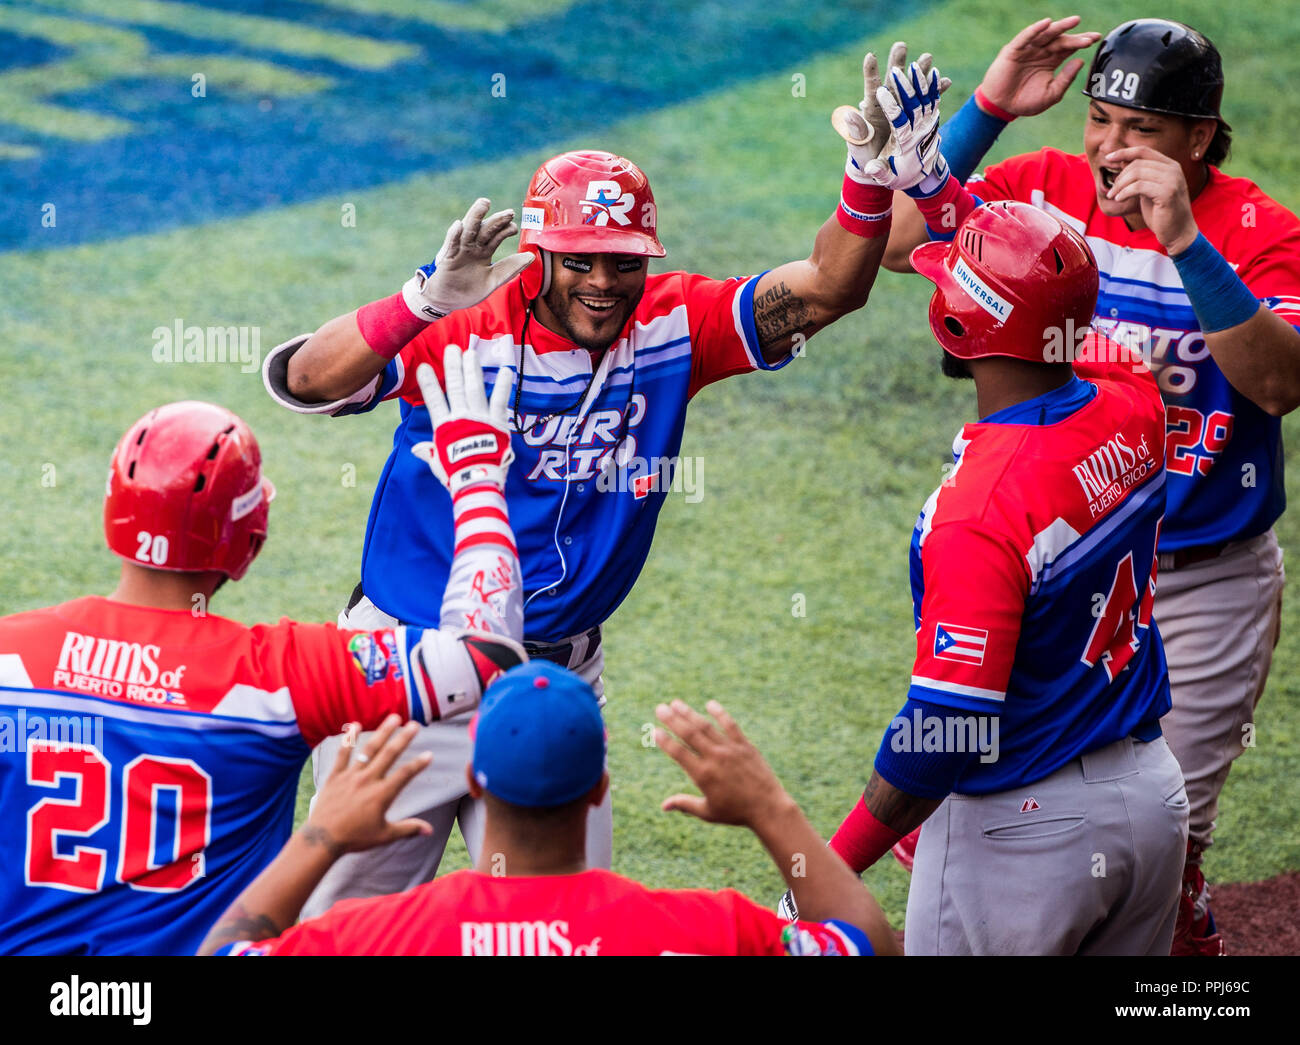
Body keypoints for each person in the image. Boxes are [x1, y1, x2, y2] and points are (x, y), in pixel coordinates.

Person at [262, 47, 937, 915]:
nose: (605, 282)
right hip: (411, 671)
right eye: (580, 260)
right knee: (346, 929)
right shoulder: (462, 324)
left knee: (572, 925)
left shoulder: (672, 324)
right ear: (539, 253)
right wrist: (422, 301)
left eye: (624, 260)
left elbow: (830, 289)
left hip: (556, 684)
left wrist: (865, 176)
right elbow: (308, 382)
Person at [880, 17, 1300, 955]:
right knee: (991, 796)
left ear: (1200, 136)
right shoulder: (1044, 192)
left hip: (1202, 576)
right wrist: (987, 108)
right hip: (1064, 564)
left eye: (1140, 129)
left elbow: (1280, 383)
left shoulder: (1263, 233)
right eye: (1100, 119)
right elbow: (905, 239)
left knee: (1170, 824)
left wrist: (1186, 243)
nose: (1111, 148)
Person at [0, 348, 524, 955]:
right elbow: (490, 656)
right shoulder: (283, 673)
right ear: (248, 535)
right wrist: (478, 481)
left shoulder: (10, 654)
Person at [826, 183, 1188, 948]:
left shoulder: (978, 514)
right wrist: (943, 196)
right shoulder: (1133, 394)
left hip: (1025, 841)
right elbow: (1056, 313)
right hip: (1152, 799)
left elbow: (950, 723)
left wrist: (836, 861)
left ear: (954, 324)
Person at [199, 662, 898, 956]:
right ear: (599, 789)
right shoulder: (702, 928)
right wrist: (770, 808)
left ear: (472, 779)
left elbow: (226, 950)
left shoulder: (375, 935)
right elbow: (866, 940)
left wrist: (319, 835)